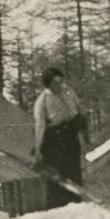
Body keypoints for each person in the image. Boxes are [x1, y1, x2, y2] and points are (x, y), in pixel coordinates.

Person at [33, 67, 88, 207]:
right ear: (48, 83)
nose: (59, 84)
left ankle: (76, 202)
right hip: (54, 139)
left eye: (60, 80)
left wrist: (82, 127)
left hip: (71, 134)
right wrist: (38, 147)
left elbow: (80, 108)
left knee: (73, 170)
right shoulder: (43, 100)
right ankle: (58, 206)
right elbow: (40, 125)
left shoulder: (69, 91)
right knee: (57, 173)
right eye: (55, 82)